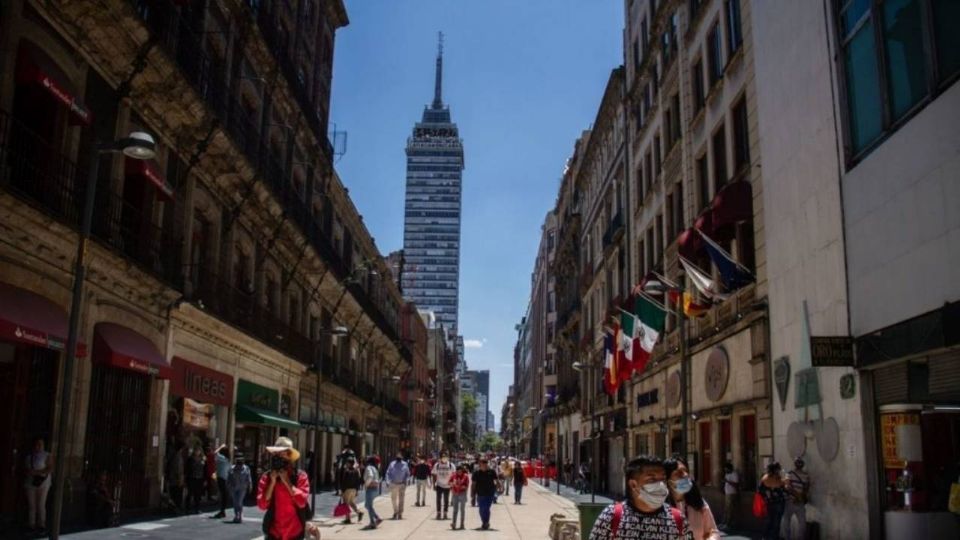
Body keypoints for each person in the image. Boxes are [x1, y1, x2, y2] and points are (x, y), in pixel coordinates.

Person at [588, 455, 691, 540]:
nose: (660, 485)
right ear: (633, 485)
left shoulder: (677, 519)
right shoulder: (611, 516)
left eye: (663, 479)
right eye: (651, 480)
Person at [256, 437, 311, 540]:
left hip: (294, 531)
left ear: (289, 456)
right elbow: (262, 505)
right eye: (276, 454)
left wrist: (287, 482)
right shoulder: (266, 477)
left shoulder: (300, 476)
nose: (279, 457)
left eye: (282, 454)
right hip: (274, 533)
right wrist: (272, 483)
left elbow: (302, 502)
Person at [664, 457, 720, 540]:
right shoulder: (661, 507)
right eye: (679, 473)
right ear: (668, 481)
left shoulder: (698, 503)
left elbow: (713, 531)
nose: (685, 475)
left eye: (686, 471)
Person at [24, 437, 52, 533]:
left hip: (43, 482)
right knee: (32, 504)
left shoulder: (47, 455)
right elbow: (26, 470)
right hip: (31, 482)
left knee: (41, 503)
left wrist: (36, 472)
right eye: (37, 444)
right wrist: (33, 473)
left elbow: (49, 468)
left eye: (41, 444)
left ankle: (41, 524)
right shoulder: (29, 456)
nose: (38, 446)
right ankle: (31, 524)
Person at [782, 458, 810, 540]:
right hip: (799, 501)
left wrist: (798, 496)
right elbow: (806, 488)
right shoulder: (806, 475)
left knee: (786, 522)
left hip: (790, 501)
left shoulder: (789, 474)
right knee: (802, 523)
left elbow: (787, 487)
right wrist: (799, 496)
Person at [759, 461, 787, 540]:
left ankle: (765, 537)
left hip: (769, 503)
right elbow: (784, 488)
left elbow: (760, 491)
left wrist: (767, 497)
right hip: (779, 502)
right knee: (776, 522)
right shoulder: (778, 478)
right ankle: (774, 537)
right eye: (779, 469)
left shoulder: (765, 477)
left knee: (769, 521)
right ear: (776, 469)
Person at [471, 458, 500, 530]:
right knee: (481, 509)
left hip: (490, 493)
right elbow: (473, 484)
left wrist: (499, 487)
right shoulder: (476, 473)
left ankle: (486, 522)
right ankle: (485, 522)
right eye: (482, 464)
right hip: (480, 493)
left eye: (485, 464)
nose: (483, 465)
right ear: (480, 465)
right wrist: (472, 494)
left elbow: (496, 480)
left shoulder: (492, 472)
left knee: (486, 508)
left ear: (487, 464)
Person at [227, 453, 252, 523]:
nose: (239, 463)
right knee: (235, 502)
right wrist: (228, 486)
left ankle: (240, 514)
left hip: (242, 487)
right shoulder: (232, 468)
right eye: (238, 461)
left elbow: (248, 477)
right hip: (233, 487)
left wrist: (250, 485)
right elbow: (229, 478)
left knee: (239, 501)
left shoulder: (246, 468)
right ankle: (236, 515)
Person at [386, 453, 411, 519]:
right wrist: (387, 481)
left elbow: (408, 474)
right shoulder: (392, 464)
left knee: (401, 499)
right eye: (398, 458)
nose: (399, 459)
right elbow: (388, 472)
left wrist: (406, 481)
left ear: (402, 458)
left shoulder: (405, 464)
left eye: (400, 458)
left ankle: (400, 513)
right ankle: (395, 511)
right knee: (393, 499)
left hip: (402, 484)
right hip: (394, 483)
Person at [432, 451, 455, 520]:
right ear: (440, 457)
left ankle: (445, 513)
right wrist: (434, 484)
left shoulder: (451, 465)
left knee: (446, 500)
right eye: (443, 456)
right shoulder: (437, 465)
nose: (444, 458)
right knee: (438, 500)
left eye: (445, 456)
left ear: (447, 457)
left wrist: (452, 484)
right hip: (439, 484)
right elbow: (434, 475)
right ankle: (438, 513)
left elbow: (454, 475)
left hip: (447, 485)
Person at [339, 458, 363, 524]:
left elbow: (344, 482)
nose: (346, 464)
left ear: (349, 463)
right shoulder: (356, 471)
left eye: (347, 463)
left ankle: (348, 519)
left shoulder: (346, 471)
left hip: (347, 489)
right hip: (354, 489)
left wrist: (342, 490)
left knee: (346, 504)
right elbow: (358, 481)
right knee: (351, 502)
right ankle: (359, 512)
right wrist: (357, 490)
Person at [362, 456, 384, 530]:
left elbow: (370, 476)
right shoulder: (375, 468)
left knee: (368, 506)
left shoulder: (368, 468)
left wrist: (366, 485)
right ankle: (375, 519)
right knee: (368, 505)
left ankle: (374, 521)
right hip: (375, 489)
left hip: (370, 488)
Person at [212, 444, 231, 519]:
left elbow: (215, 453)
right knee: (224, 495)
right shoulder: (227, 459)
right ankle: (222, 510)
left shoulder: (222, 458)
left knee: (223, 495)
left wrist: (220, 447)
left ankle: (222, 511)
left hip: (221, 478)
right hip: (225, 478)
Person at [450, 464, 470, 530]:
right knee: (455, 510)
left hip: (462, 494)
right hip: (455, 493)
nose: (459, 472)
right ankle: (454, 523)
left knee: (462, 510)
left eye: (460, 471)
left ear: (462, 471)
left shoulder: (465, 476)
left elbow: (466, 485)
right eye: (458, 471)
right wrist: (453, 484)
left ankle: (462, 524)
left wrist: (462, 487)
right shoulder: (453, 475)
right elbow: (449, 482)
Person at [187, 447, 206, 514]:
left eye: (199, 451)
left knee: (198, 495)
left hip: (200, 478)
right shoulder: (191, 459)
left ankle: (197, 508)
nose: (197, 452)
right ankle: (188, 508)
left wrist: (204, 479)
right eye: (196, 450)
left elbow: (204, 469)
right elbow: (188, 469)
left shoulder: (202, 459)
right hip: (192, 478)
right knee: (190, 493)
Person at [720, 461, 739, 529]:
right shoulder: (727, 474)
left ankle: (728, 524)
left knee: (730, 509)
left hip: (732, 493)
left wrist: (727, 481)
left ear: (729, 468)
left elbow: (736, 484)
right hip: (727, 493)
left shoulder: (734, 474)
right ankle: (724, 522)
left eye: (726, 469)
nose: (725, 470)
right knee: (726, 509)